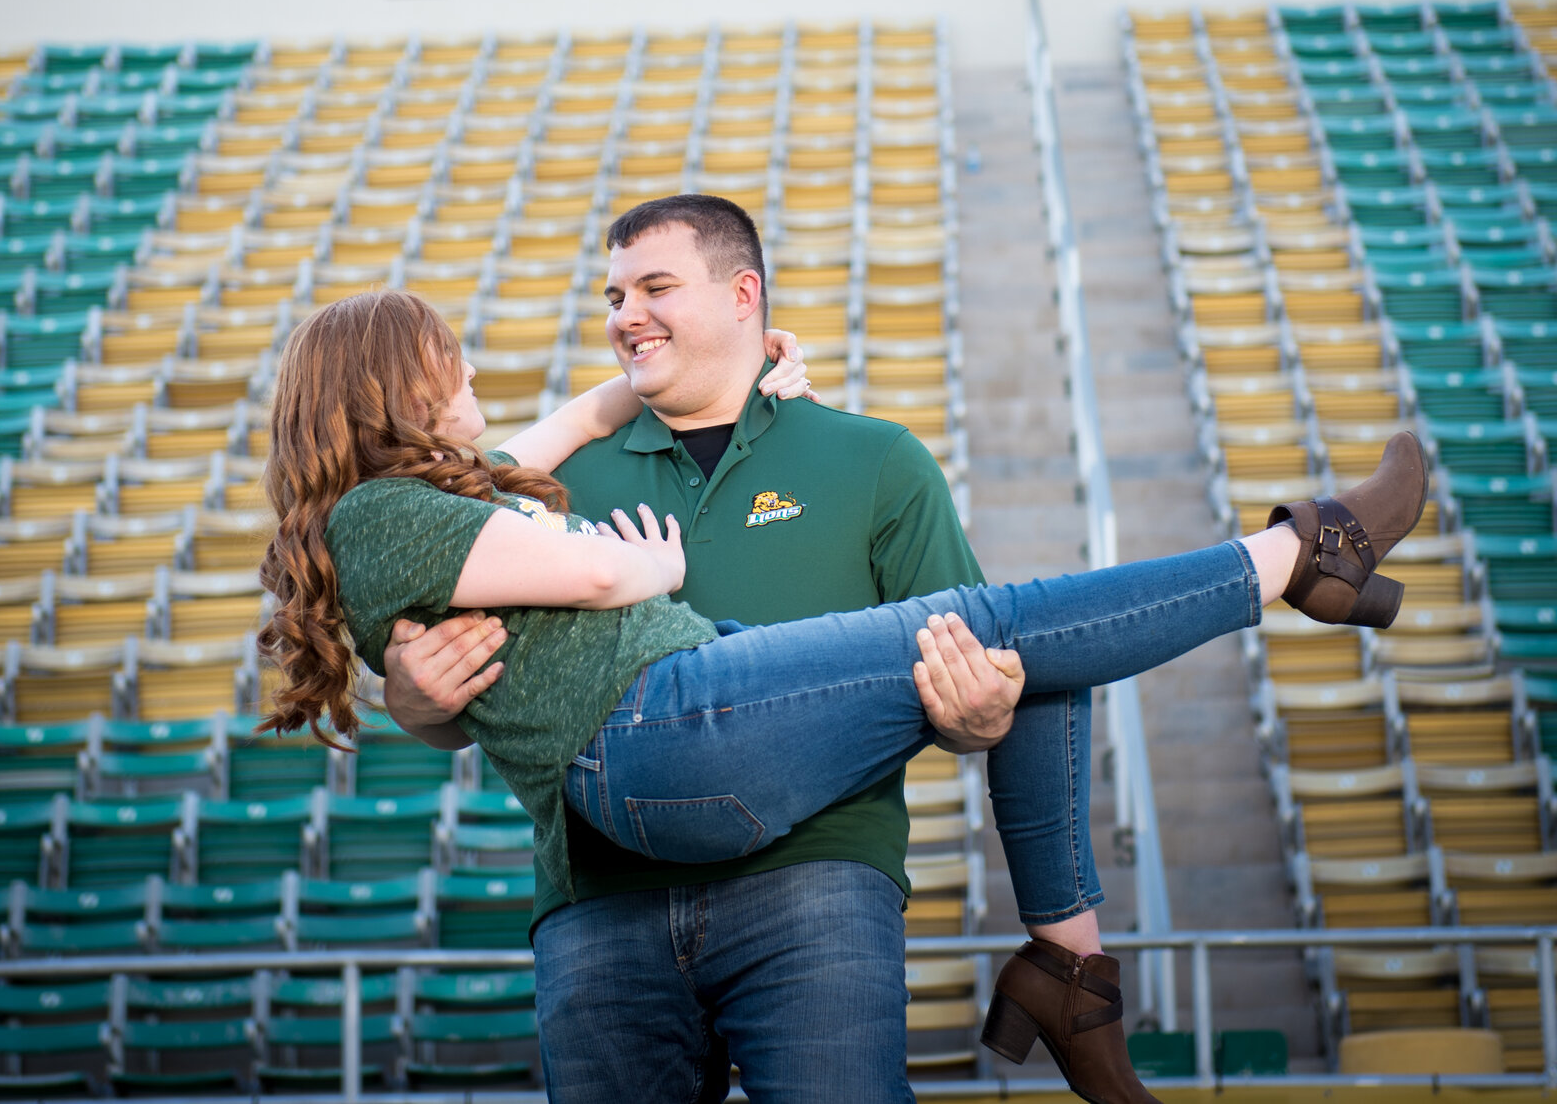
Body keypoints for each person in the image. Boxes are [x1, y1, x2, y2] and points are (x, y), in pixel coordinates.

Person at [256, 289, 1427, 1104]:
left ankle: (1067, 966)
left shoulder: (481, 489)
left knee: (1033, 648)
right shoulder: (397, 511)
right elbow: (605, 571)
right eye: (440, 356)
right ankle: (1297, 555)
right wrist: (641, 574)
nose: (464, 368)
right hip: (659, 747)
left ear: (745, 299)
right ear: (388, 391)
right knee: (1013, 613)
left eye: (654, 291)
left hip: (719, 791)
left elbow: (574, 423)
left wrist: (721, 384)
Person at [385, 195, 1045, 1103]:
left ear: (745, 295)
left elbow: (962, 668)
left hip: (811, 880)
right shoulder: (546, 478)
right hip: (599, 894)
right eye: (614, 295)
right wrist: (414, 701)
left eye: (656, 286)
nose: (626, 315)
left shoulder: (876, 459)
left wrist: (981, 715)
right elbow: (455, 685)